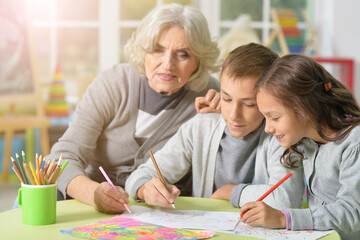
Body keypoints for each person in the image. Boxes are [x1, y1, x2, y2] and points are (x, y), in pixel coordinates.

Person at [45, 3, 221, 214]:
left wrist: (222, 123)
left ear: (199, 61)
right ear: (143, 51)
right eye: (157, 50)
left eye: (183, 54)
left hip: (166, 213)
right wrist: (94, 194)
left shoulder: (212, 95)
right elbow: (60, 159)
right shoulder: (113, 84)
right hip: (94, 208)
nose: (167, 65)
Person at [125, 43, 304, 211]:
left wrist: (231, 192)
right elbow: (139, 176)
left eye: (249, 104)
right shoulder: (201, 128)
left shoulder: (281, 136)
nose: (234, 114)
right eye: (226, 99)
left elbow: (286, 199)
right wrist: (145, 189)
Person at [240, 54, 360, 239]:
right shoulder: (306, 139)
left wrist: (283, 219)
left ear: (304, 108)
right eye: (266, 117)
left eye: (275, 117)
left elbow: (353, 212)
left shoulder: (354, 143)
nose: (268, 128)